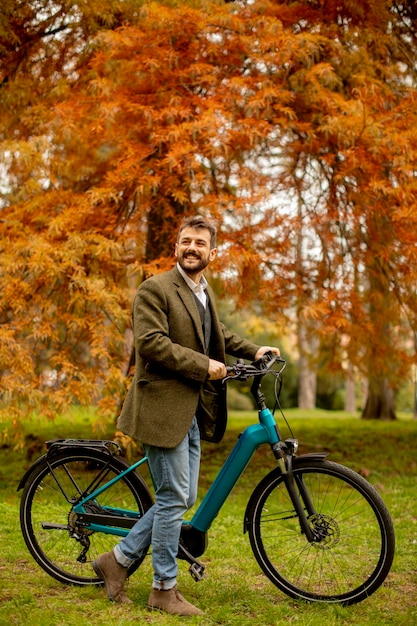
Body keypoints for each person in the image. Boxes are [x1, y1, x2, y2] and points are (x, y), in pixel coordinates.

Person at [92, 215, 280, 616]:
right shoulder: (155, 288)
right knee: (174, 497)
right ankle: (163, 588)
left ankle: (118, 559)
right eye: (186, 241)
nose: (192, 248)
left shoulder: (202, 292)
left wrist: (254, 350)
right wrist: (204, 365)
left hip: (189, 410)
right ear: (176, 247)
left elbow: (219, 335)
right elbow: (151, 343)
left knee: (181, 496)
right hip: (160, 408)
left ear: (213, 253)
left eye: (200, 243)